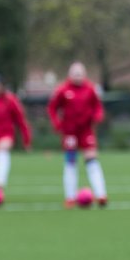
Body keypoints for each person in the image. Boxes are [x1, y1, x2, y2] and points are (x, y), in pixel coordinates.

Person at [48, 61, 108, 207]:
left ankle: (101, 195)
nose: (77, 77)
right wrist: (57, 124)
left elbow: (98, 106)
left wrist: (98, 116)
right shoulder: (62, 90)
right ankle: (70, 197)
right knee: (70, 163)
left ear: (84, 75)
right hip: (70, 132)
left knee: (92, 160)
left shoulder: (90, 89)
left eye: (80, 74)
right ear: (70, 75)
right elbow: (52, 109)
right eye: (75, 74)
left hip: (86, 131)